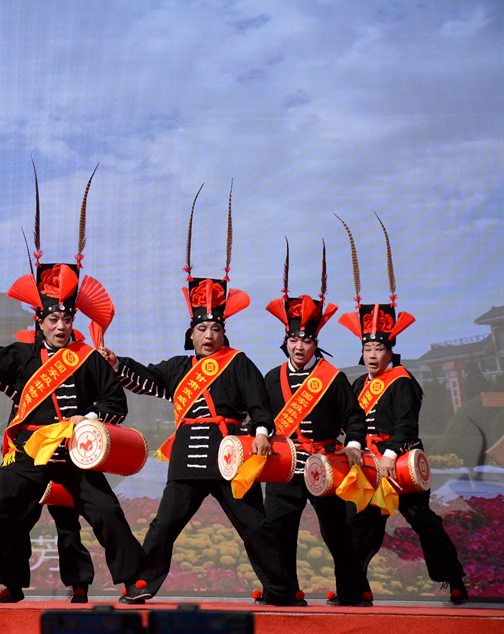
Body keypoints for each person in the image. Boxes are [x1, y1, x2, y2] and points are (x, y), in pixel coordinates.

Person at [100, 185, 301, 606]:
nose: (209, 335)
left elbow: (259, 405)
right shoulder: (178, 367)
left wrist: (262, 431)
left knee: (255, 527)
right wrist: (117, 363)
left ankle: (282, 591)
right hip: (187, 458)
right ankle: (141, 585)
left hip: (230, 455)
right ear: (191, 334)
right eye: (202, 329)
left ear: (224, 332)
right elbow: (147, 378)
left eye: (216, 329)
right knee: (164, 526)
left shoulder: (238, 362)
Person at [0, 166, 145, 602]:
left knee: (106, 511)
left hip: (76, 452)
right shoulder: (21, 355)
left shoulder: (88, 357)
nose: (61, 326)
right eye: (53, 319)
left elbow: (115, 402)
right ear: (39, 321)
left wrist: (87, 421)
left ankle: (134, 580)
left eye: (67, 318)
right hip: (29, 451)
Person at [337, 215, 468, 604]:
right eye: (366, 348)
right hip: (369, 463)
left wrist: (391, 455)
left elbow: (407, 424)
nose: (371, 354)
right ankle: (354, 587)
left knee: (422, 520)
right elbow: (353, 421)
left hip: (401, 459)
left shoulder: (403, 381)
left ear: (390, 350)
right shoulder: (358, 385)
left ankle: (454, 579)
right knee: (360, 525)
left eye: (378, 348)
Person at [261, 241, 373, 607]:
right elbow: (260, 417)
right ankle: (283, 592)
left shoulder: (333, 377)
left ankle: (354, 593)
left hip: (325, 465)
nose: (299, 346)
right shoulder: (271, 377)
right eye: (293, 339)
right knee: (278, 530)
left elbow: (354, 417)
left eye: (306, 340)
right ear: (286, 341)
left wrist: (353, 444)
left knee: (337, 532)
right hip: (284, 466)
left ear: (316, 343)